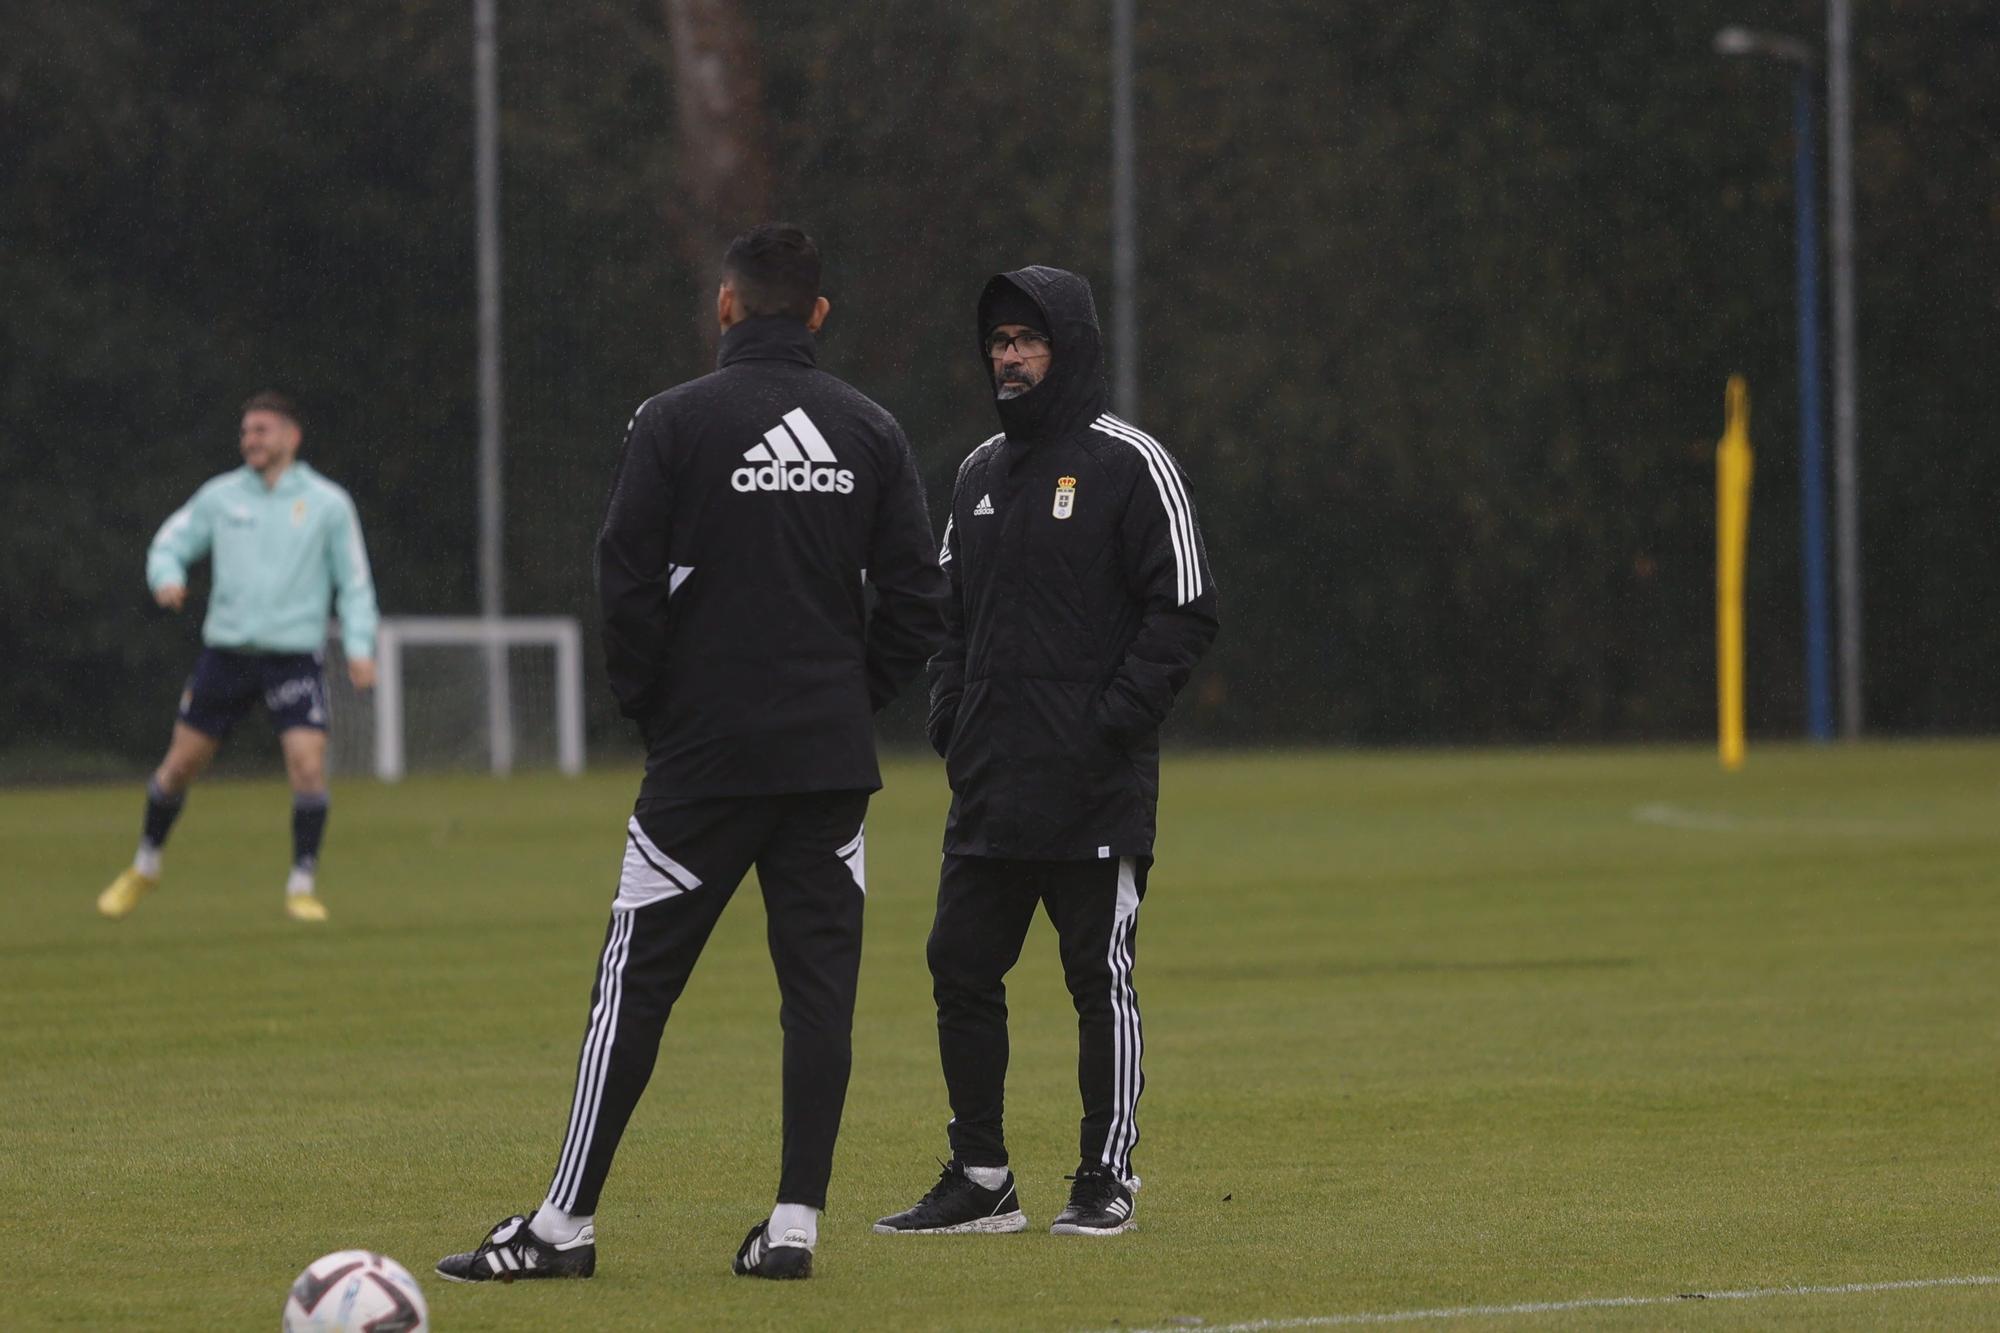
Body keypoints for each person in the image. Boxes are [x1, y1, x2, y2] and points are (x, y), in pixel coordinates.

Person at [436, 224, 947, 1284]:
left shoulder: (672, 420)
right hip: (824, 768)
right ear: (815, 314)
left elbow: (622, 577)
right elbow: (914, 599)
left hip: (703, 760)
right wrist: (847, 700)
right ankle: (795, 1222)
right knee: (818, 994)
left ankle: (562, 1224)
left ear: (725, 306)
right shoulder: (870, 429)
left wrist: (652, 709)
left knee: (634, 986)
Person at [875, 266, 1218, 1239]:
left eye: (1025, 340)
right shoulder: (978, 472)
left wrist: (1109, 719)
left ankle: (1104, 1176)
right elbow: (947, 617)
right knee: (957, 961)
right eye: (996, 343)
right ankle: (980, 1176)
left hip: (1093, 788)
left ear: (1065, 346)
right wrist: (952, 716)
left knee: (1094, 975)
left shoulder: (1129, 463)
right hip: (990, 784)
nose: (1008, 358)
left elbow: (1185, 606)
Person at [96, 391, 378, 924]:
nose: (250, 439)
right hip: (226, 656)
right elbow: (170, 543)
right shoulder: (220, 497)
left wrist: (361, 648)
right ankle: (146, 864)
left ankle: (301, 884)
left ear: (291, 437)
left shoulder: (327, 503)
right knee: (179, 767)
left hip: (293, 658)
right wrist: (167, 577)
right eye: (246, 431)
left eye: (262, 430)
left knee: (308, 767)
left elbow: (355, 582)